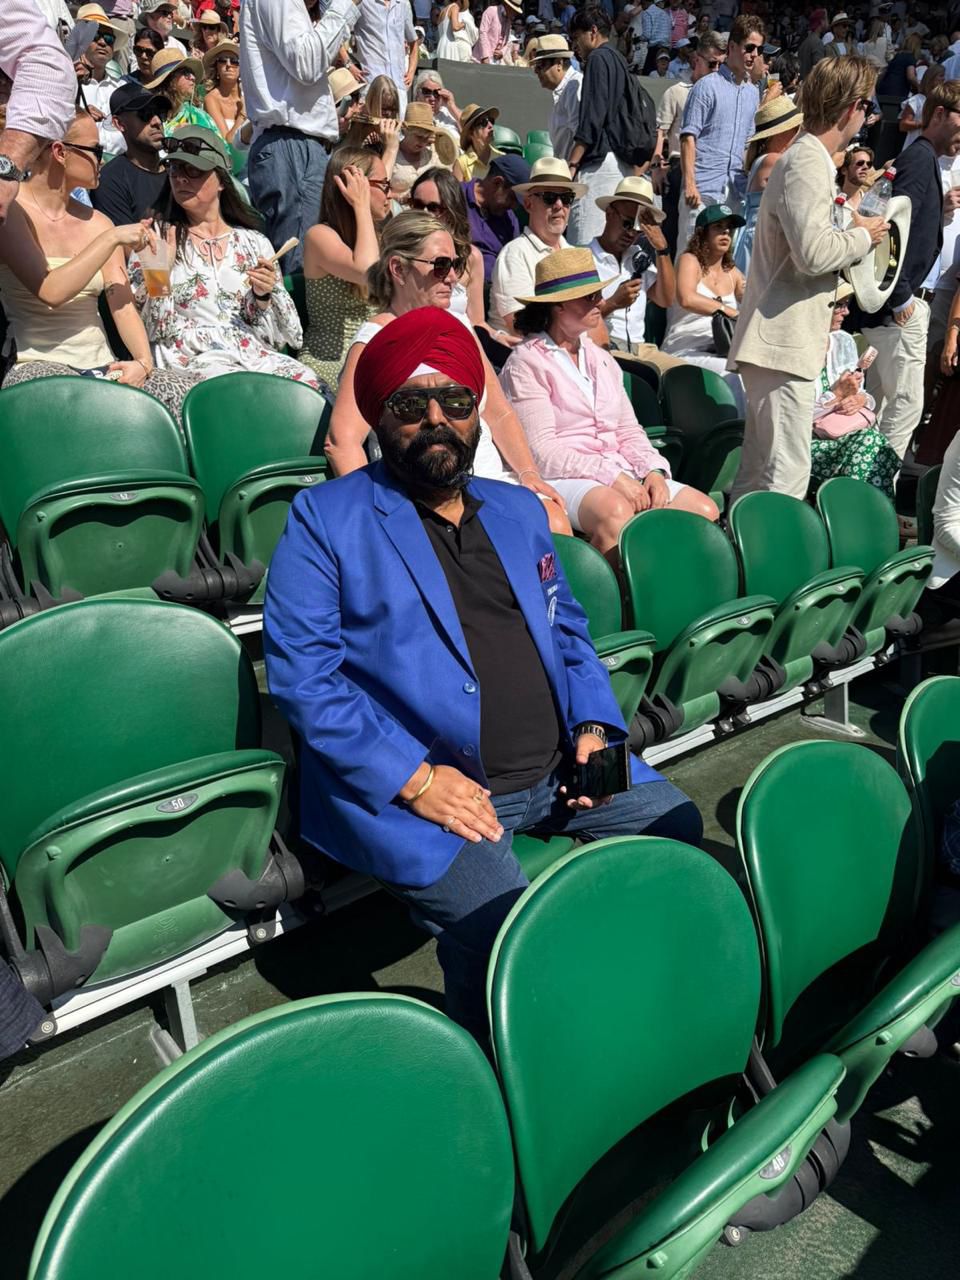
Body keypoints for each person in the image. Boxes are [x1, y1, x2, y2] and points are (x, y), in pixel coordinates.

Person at [263, 304, 702, 1038]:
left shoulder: (517, 510)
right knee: (504, 928)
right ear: (380, 416)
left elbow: (569, 634)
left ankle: (634, 997)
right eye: (411, 405)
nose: (437, 419)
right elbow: (306, 680)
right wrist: (415, 780)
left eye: (456, 401)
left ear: (477, 412)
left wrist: (597, 729)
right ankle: (495, 1057)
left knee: (676, 825)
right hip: (434, 794)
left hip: (564, 768)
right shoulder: (325, 518)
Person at [326, 211, 571, 533]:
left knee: (552, 518)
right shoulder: (376, 340)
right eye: (440, 265)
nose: (453, 277)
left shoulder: (459, 327)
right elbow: (341, 442)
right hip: (421, 492)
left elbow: (498, 413)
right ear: (398, 269)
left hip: (486, 481)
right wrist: (373, 520)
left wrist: (529, 475)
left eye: (456, 265)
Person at [728, 56, 889, 503]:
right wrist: (864, 236)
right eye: (868, 105)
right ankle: (772, 551)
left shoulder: (808, 159)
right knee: (785, 477)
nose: (868, 115)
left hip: (781, 342)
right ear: (852, 107)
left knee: (760, 476)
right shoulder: (807, 161)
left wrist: (852, 228)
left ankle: (742, 547)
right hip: (781, 343)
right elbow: (814, 253)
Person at [501, 247, 718, 554]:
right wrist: (612, 476)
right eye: (589, 297)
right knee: (616, 512)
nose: (600, 302)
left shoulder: (602, 359)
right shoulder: (526, 362)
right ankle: (612, 585)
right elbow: (542, 451)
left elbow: (629, 430)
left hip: (618, 469)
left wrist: (653, 471)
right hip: (563, 476)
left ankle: (676, 584)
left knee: (704, 511)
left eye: (599, 294)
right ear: (558, 305)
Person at [0, 110, 197, 418]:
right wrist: (111, 239)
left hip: (103, 365)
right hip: (35, 363)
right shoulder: (10, 209)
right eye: (96, 150)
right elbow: (50, 291)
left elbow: (123, 305)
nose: (102, 160)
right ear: (60, 152)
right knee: (68, 403)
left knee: (182, 395)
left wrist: (143, 363)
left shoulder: (99, 222)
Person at [129, 127, 319, 386]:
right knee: (232, 385)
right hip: (191, 358)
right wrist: (160, 272)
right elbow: (154, 330)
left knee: (312, 386)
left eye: (193, 170)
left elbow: (277, 338)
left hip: (251, 354)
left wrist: (262, 296)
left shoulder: (254, 242)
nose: (180, 178)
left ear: (221, 181)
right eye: (174, 169)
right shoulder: (155, 238)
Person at [853, 82, 960, 461]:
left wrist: (940, 213)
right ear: (940, 114)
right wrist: (900, 299)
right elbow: (888, 228)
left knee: (882, 403)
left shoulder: (922, 158)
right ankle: (876, 487)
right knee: (905, 405)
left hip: (895, 303)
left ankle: (860, 483)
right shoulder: (919, 158)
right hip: (896, 306)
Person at [240, 0, 363, 275]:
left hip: (297, 146)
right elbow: (306, 63)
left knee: (305, 263)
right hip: (292, 145)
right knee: (297, 265)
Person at [301, 146, 390, 389]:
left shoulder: (379, 239)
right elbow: (367, 270)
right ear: (355, 186)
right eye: (384, 184)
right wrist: (361, 205)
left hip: (375, 356)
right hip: (330, 363)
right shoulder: (319, 236)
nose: (390, 194)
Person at [567, 7, 655, 244]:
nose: (574, 46)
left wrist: (572, 164)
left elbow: (592, 118)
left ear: (593, 31)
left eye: (576, 37)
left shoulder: (597, 58)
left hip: (600, 167)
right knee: (607, 246)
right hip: (620, 166)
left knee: (585, 245)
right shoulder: (619, 60)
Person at [678, 17, 765, 252]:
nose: (754, 55)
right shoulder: (706, 86)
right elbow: (688, 138)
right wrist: (690, 184)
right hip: (702, 189)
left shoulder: (752, 93)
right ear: (732, 47)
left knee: (723, 261)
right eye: (749, 47)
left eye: (758, 50)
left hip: (734, 192)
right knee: (690, 256)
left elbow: (747, 145)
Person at [808, 283, 900, 501]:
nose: (846, 311)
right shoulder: (795, 349)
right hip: (805, 442)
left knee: (872, 443)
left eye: (846, 304)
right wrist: (835, 396)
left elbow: (865, 397)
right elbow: (792, 418)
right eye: (838, 305)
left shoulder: (843, 340)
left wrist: (859, 399)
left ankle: (860, 509)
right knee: (871, 444)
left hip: (845, 434)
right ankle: (865, 510)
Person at [589, 175, 681, 369]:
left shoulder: (638, 256)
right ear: (609, 214)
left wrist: (662, 249)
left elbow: (666, 299)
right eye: (627, 223)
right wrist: (613, 303)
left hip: (641, 349)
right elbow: (577, 323)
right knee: (646, 373)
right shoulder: (585, 258)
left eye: (639, 229)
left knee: (686, 374)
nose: (631, 233)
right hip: (604, 344)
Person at [661, 204, 747, 411]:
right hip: (686, 348)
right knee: (735, 375)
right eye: (718, 227)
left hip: (723, 350)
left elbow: (754, 303)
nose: (726, 232)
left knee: (761, 372)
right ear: (702, 233)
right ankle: (738, 430)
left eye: (729, 228)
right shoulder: (689, 260)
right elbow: (687, 298)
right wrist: (730, 312)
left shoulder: (733, 273)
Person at [489, 156, 585, 335]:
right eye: (549, 197)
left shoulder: (575, 254)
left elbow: (594, 320)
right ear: (528, 204)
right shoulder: (515, 254)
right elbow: (521, 327)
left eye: (566, 198)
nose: (559, 205)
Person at [652, 35, 714, 257]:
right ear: (697, 61)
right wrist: (657, 167)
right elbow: (661, 131)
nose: (716, 70)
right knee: (672, 229)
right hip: (677, 166)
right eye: (711, 64)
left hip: (706, 167)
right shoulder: (676, 91)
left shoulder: (717, 92)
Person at [410, 168, 490, 331]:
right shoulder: (403, 252)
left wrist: (498, 337)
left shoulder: (471, 256)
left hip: (461, 339)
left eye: (433, 208)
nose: (423, 214)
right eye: (417, 205)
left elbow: (477, 322)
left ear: (451, 210)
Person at [733, 95, 803, 275]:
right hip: (761, 238)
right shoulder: (773, 160)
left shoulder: (764, 158)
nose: (799, 132)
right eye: (796, 128)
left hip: (759, 234)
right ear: (782, 132)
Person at [90, 82, 170, 226]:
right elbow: (125, 239)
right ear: (119, 124)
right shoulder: (110, 180)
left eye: (160, 113)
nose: (157, 121)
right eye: (145, 114)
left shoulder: (179, 172)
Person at [462, 152, 528, 286]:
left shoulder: (509, 218)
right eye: (512, 198)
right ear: (497, 182)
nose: (513, 206)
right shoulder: (454, 198)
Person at [72, 8, 127, 158]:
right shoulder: (66, 85)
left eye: (109, 39)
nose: (102, 42)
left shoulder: (122, 88)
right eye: (95, 36)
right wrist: (78, 114)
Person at [353, 0, 419, 114]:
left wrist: (411, 73)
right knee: (371, 124)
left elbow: (413, 41)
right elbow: (340, 28)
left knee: (397, 124)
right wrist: (349, 65)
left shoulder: (403, 3)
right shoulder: (363, 2)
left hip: (398, 85)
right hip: (372, 83)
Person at [530, 34, 582, 163]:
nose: (536, 71)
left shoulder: (574, 86)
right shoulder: (564, 89)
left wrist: (572, 167)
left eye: (540, 65)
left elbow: (581, 136)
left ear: (559, 63)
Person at [144, 48, 218, 135]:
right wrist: (173, 133)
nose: (193, 77)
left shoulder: (199, 115)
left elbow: (217, 142)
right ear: (170, 80)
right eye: (186, 73)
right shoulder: (147, 114)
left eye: (192, 72)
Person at [390, 101, 455, 197]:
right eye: (419, 136)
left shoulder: (432, 156)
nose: (423, 142)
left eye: (427, 137)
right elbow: (380, 189)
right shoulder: (391, 154)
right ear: (405, 130)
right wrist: (400, 198)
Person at [202, 39, 245, 144]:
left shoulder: (247, 95)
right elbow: (228, 142)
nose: (228, 64)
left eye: (234, 60)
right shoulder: (211, 99)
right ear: (216, 67)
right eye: (222, 60)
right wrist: (243, 114)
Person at [899, 63, 945, 152]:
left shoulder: (941, 102)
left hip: (934, 148)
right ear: (931, 78)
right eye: (941, 76)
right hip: (914, 146)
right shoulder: (916, 100)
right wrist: (924, 123)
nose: (944, 79)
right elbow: (903, 125)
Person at [411, 69, 461, 142]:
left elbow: (471, 133)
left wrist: (452, 106)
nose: (432, 98)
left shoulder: (450, 114)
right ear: (418, 94)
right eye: (427, 92)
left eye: (436, 93)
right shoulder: (412, 115)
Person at [457, 103, 499, 181]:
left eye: (491, 120)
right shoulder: (461, 164)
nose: (490, 125)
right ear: (470, 133)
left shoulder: (501, 157)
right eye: (484, 122)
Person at [474, 0, 522, 64]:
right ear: (508, 6)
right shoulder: (491, 11)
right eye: (514, 11)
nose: (515, 14)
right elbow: (483, 33)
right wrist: (485, 56)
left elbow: (507, 40)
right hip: (481, 59)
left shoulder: (508, 20)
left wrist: (502, 52)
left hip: (496, 61)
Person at [876, 31, 921, 98]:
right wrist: (920, 86)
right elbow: (911, 77)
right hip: (896, 92)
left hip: (883, 89)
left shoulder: (897, 56)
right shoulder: (910, 57)